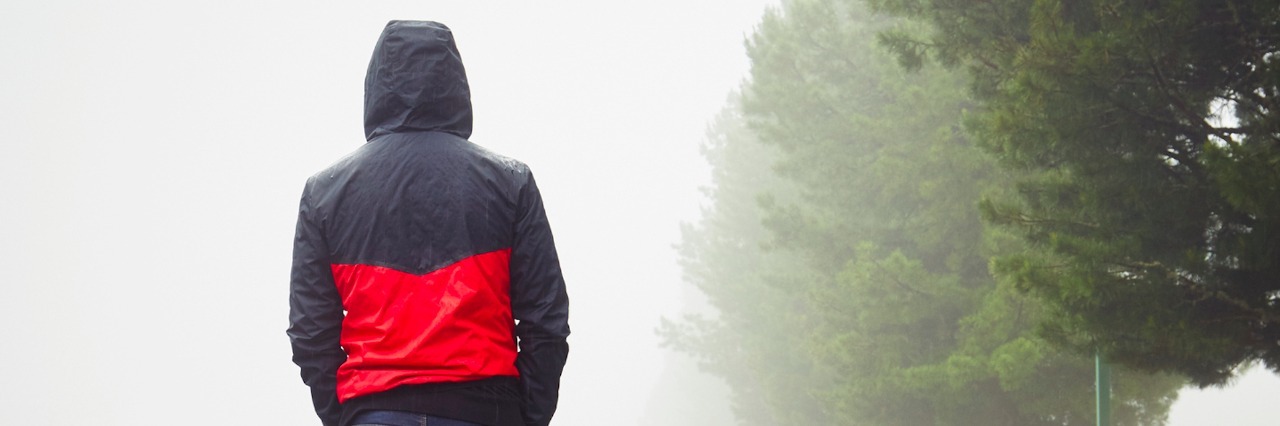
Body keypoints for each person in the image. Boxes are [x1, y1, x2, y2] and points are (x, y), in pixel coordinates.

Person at [287, 21, 570, 426]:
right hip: (485, 411)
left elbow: (310, 332)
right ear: (456, 84)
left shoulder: (325, 193)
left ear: (377, 84)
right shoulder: (511, 182)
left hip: (375, 411)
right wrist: (528, 417)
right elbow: (546, 320)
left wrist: (348, 416)